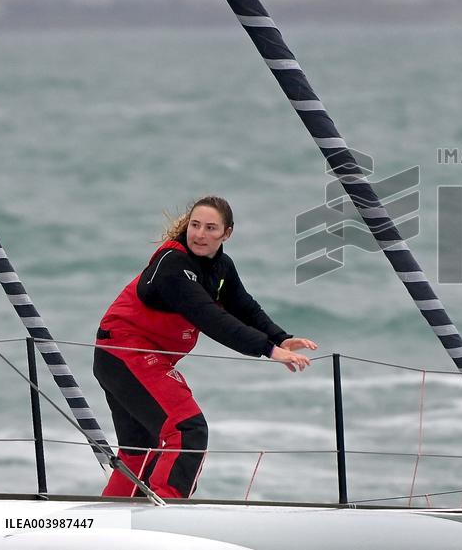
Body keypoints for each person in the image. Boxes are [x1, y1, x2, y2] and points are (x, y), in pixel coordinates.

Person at [93, 195, 315, 499]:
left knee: (141, 450)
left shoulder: (221, 266)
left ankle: (111, 514)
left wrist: (279, 338)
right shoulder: (173, 264)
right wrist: (269, 350)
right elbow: (210, 318)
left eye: (211, 228)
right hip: (124, 353)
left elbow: (244, 307)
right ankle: (167, 508)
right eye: (195, 225)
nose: (200, 234)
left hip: (125, 358)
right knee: (188, 430)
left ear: (227, 233)